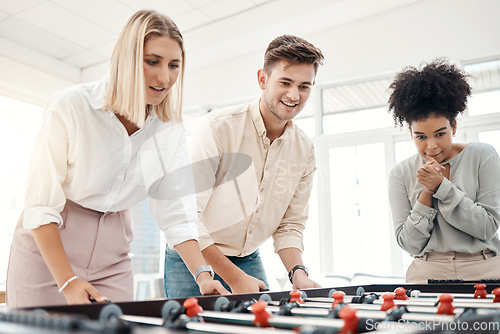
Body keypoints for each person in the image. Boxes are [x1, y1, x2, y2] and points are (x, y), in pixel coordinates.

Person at [6, 9, 228, 308]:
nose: (165, 77)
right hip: (52, 244)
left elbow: (176, 212)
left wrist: (203, 275)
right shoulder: (71, 107)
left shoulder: (170, 131)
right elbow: (41, 205)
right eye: (152, 62)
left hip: (114, 251)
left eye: (174, 65)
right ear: (127, 59)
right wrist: (68, 281)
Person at [164, 34, 324, 297]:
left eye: (304, 86)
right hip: (192, 256)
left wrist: (299, 273)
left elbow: (290, 225)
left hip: (248, 257)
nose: (294, 95)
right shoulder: (217, 128)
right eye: (285, 82)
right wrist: (234, 277)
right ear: (263, 79)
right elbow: (188, 216)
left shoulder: (304, 150)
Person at [387, 58, 500, 283]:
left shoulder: (483, 155)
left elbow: (487, 227)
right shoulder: (400, 173)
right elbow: (408, 244)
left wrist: (442, 187)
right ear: (410, 133)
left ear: (454, 126)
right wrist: (427, 192)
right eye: (420, 136)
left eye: (440, 133)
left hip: (484, 271)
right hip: (426, 274)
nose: (431, 146)